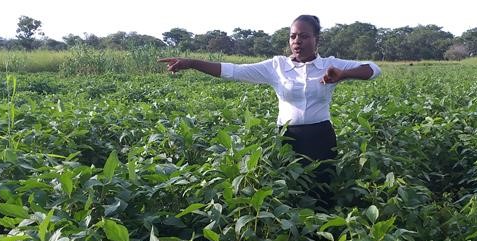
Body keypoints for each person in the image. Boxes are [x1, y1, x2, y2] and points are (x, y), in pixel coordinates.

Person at [158, 15, 381, 206]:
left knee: (322, 191)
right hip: (287, 139)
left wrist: (343, 74)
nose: (297, 41)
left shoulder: (330, 64)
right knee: (288, 191)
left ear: (316, 40)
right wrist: (191, 62)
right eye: (293, 36)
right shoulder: (276, 66)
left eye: (304, 36)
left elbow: (374, 69)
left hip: (321, 136)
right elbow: (233, 70)